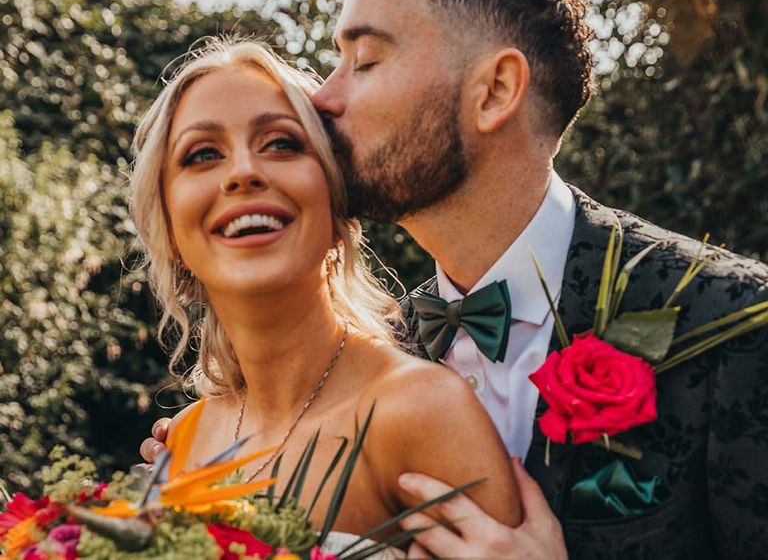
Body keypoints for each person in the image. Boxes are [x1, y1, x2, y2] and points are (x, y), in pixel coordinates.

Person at [143, 0, 768, 559]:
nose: (324, 99)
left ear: (494, 91)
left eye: (364, 60)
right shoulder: (372, 357)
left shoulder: (735, 321)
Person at [128, 36, 521, 555]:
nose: (244, 172)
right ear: (170, 230)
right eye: (202, 155)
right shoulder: (182, 441)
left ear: (337, 207)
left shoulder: (421, 412)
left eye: (282, 144)